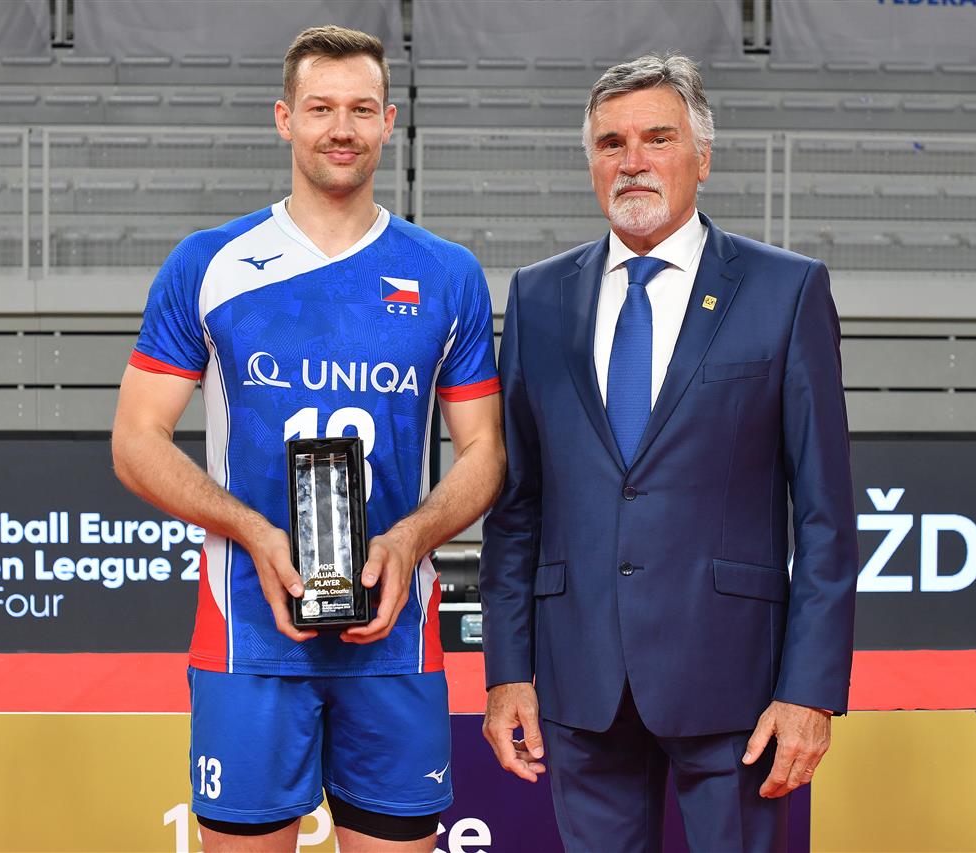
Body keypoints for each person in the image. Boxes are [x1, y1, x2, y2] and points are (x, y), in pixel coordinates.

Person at [111, 26, 504, 853]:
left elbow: (485, 452)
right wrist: (253, 531)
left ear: (389, 121)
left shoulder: (448, 274)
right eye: (321, 108)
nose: (341, 128)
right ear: (284, 118)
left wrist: (410, 539)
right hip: (247, 635)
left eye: (361, 109)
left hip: (396, 635)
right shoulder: (208, 264)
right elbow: (137, 440)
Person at [479, 53, 858, 852]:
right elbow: (518, 506)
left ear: (703, 157)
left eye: (658, 138)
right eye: (611, 143)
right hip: (580, 682)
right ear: (591, 163)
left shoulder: (786, 290)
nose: (634, 161)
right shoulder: (537, 296)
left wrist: (811, 690)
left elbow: (826, 513)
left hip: (739, 689)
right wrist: (507, 670)